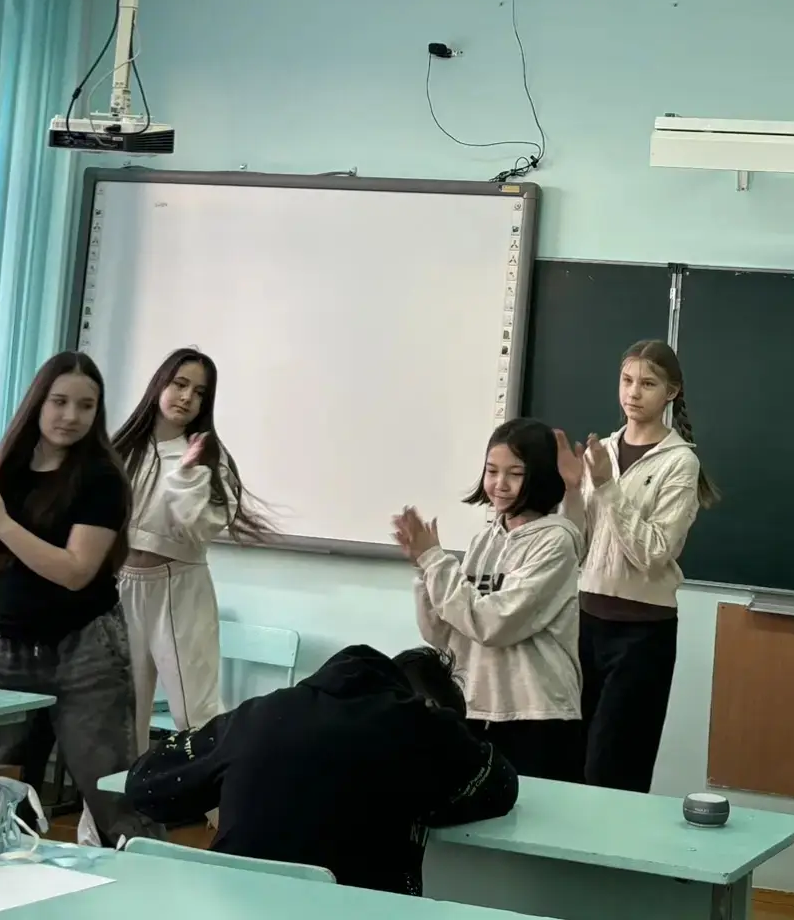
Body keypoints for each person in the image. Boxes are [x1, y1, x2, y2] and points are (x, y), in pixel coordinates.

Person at [0, 352, 157, 847]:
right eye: (60, 402)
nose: (71, 416)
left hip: (85, 649)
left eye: (86, 406)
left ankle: (147, 878)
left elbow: (75, 571)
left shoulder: (101, 477)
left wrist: (3, 525)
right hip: (10, 648)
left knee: (110, 790)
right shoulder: (11, 468)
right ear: (38, 404)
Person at [125, 643, 518, 891]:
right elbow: (500, 784)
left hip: (236, 903)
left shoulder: (260, 713)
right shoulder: (421, 726)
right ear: (431, 707)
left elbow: (146, 784)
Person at [558, 339, 717, 792]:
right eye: (627, 380)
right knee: (569, 762)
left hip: (642, 632)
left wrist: (608, 488)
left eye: (647, 384)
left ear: (671, 392)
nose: (633, 392)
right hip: (585, 621)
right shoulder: (602, 451)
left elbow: (653, 553)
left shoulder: (680, 462)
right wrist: (572, 490)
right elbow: (577, 546)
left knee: (613, 771)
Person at [396, 418, 584, 781]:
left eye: (515, 473)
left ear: (541, 475)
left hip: (536, 713)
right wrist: (425, 569)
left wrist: (436, 562)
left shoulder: (556, 542)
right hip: (476, 705)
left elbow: (493, 624)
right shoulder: (485, 540)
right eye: (492, 470)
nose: (500, 484)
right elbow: (442, 634)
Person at [111, 348, 268, 747]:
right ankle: (120, 793)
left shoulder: (207, 457)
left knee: (195, 713)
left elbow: (198, 528)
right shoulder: (122, 449)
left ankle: (220, 791)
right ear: (159, 385)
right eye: (180, 384)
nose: (186, 397)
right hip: (120, 587)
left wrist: (186, 476)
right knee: (123, 717)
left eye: (199, 392)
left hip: (179, 587)